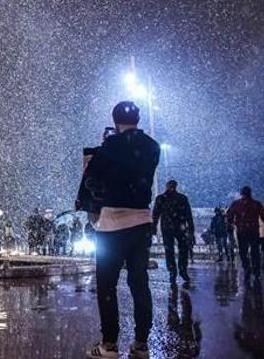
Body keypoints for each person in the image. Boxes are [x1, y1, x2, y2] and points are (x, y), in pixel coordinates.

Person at [81, 101, 159, 359]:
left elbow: (91, 180)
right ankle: (141, 344)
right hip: (142, 221)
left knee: (107, 285)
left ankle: (110, 344)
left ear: (114, 121)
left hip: (112, 222)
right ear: (138, 118)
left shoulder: (110, 147)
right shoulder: (152, 147)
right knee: (139, 284)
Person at [152, 180, 195, 283]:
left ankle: (173, 271)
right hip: (180, 227)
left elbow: (155, 215)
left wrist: (153, 227)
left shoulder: (161, 199)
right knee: (182, 249)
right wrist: (191, 230)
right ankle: (182, 270)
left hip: (167, 228)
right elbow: (189, 216)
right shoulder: (182, 198)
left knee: (169, 250)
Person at [226, 186, 264, 282]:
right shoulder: (256, 204)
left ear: (241, 193)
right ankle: (256, 272)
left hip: (242, 231)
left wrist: (233, 223)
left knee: (243, 252)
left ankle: (247, 269)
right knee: (255, 252)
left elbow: (229, 217)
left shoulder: (236, 204)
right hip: (254, 231)